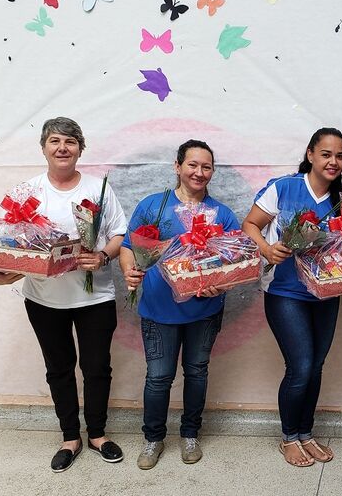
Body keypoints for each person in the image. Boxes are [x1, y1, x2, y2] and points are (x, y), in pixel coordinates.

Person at [0, 117, 127, 472]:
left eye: (70, 141)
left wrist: (103, 256)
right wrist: (4, 269)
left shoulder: (99, 189)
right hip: (44, 300)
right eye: (54, 141)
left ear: (80, 148)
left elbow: (118, 235)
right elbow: (10, 242)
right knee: (59, 369)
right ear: (44, 148)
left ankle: (97, 433)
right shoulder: (27, 192)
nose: (62, 147)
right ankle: (70, 436)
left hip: (95, 297)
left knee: (97, 368)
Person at [120, 140, 240, 470]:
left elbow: (238, 259)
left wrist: (222, 282)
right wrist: (130, 272)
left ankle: (190, 434)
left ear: (212, 172)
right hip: (159, 311)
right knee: (159, 377)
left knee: (197, 372)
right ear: (177, 167)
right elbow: (129, 245)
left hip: (204, 311)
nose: (199, 172)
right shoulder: (154, 207)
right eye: (192, 165)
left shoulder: (223, 215)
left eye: (206, 167)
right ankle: (153, 439)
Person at [242, 128, 342, 467]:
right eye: (326, 153)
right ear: (311, 154)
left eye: (339, 156)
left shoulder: (339, 200)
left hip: (326, 294)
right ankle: (288, 437)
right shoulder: (284, 187)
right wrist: (267, 249)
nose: (333, 161)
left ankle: (306, 433)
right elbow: (250, 225)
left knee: (315, 367)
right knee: (300, 367)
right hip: (286, 292)